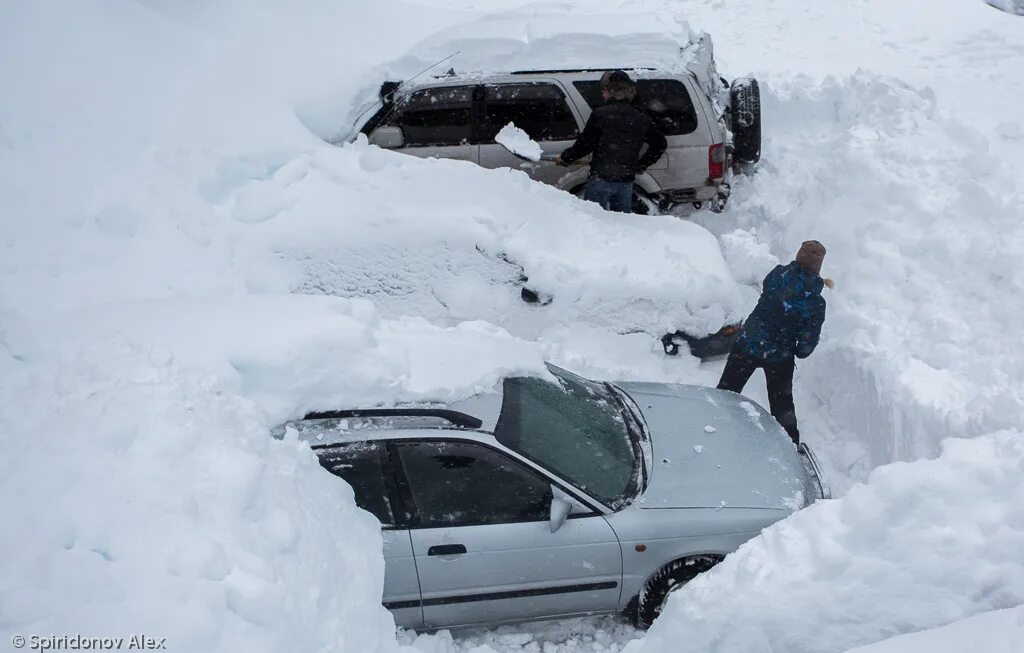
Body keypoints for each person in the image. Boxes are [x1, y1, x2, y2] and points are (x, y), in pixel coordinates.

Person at [716, 241, 830, 445]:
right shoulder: (815, 303)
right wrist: (795, 348)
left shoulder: (777, 275)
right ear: (818, 267)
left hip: (748, 344)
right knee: (782, 407)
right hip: (779, 357)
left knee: (726, 392)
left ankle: (710, 424)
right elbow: (806, 346)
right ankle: (791, 448)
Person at [556, 71, 667, 213]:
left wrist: (566, 158)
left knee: (593, 220)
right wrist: (640, 165)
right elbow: (660, 144)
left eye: (605, 90)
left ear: (613, 91)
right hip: (625, 182)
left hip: (600, 179)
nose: (602, 93)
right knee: (621, 223)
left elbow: (585, 145)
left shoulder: (601, 114)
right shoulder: (640, 117)